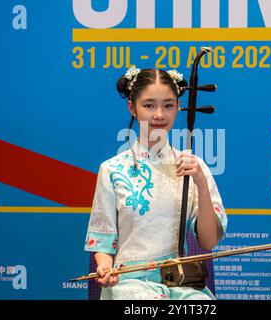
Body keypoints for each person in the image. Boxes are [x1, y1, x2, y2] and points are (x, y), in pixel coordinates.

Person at [84, 67, 227, 300]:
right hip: (128, 283)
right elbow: (103, 240)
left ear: (179, 107)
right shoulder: (111, 169)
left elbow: (208, 241)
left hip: (180, 281)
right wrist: (104, 267)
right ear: (132, 107)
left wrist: (200, 183)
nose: (160, 114)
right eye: (149, 105)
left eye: (169, 105)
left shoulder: (193, 167)